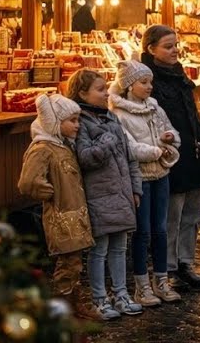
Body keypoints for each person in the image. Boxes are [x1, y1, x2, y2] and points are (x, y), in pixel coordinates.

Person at [142, 24, 200, 289]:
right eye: (168, 46)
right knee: (171, 215)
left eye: (175, 45)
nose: (174, 50)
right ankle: (168, 267)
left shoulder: (179, 75)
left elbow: (192, 111)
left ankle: (187, 262)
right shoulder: (146, 81)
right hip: (169, 155)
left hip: (193, 152)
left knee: (193, 213)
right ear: (151, 49)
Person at [17, 92, 102, 321]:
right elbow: (28, 182)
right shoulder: (43, 148)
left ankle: (74, 302)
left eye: (78, 120)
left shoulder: (63, 145)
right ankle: (63, 308)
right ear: (55, 122)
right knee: (67, 263)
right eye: (72, 121)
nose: (78, 125)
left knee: (74, 262)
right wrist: (48, 192)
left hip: (75, 214)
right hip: (61, 216)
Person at [107, 59, 183, 306]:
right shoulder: (119, 115)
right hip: (141, 178)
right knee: (142, 232)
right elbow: (130, 147)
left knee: (161, 229)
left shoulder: (155, 109)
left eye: (150, 82)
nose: (150, 86)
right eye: (143, 82)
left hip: (161, 174)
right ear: (129, 86)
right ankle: (141, 285)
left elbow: (172, 131)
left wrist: (171, 138)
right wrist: (157, 151)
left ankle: (161, 279)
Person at [69, 69, 142, 319]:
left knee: (120, 248)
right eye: (100, 89)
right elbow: (85, 157)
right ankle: (99, 298)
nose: (106, 93)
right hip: (99, 196)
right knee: (99, 250)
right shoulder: (81, 122)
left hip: (121, 194)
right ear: (82, 93)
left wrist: (135, 188)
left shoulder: (111, 118)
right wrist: (106, 143)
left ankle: (121, 293)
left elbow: (130, 157)